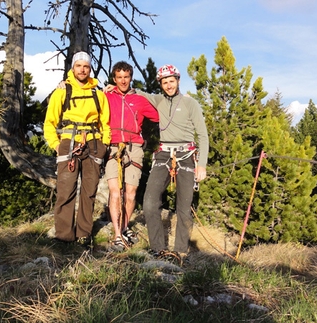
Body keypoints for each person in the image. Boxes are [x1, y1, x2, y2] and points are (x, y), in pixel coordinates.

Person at [136, 64, 209, 259]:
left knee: (184, 207)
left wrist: (201, 164)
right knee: (150, 202)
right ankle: (158, 248)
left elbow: (202, 134)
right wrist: (114, 88)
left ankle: (180, 251)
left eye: (171, 81)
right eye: (164, 82)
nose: (169, 85)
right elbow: (138, 92)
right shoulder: (158, 100)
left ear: (178, 80)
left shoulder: (190, 103)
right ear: (160, 84)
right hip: (163, 154)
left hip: (186, 155)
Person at [43, 51, 111, 248]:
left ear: (90, 69)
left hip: (93, 144)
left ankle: (84, 233)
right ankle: (64, 236)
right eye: (79, 66)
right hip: (68, 143)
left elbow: (105, 122)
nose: (82, 69)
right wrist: (56, 145)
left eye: (86, 66)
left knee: (89, 191)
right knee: (65, 189)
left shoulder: (98, 94)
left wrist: (104, 145)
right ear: (73, 68)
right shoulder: (62, 92)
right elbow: (50, 122)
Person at [104, 61, 159, 252]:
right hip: (112, 147)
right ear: (114, 78)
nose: (122, 81)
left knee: (131, 193)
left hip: (134, 146)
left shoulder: (140, 100)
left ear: (131, 78)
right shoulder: (106, 96)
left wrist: (180, 103)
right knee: (114, 191)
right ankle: (118, 235)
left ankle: (125, 227)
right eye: (119, 77)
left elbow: (159, 117)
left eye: (126, 77)